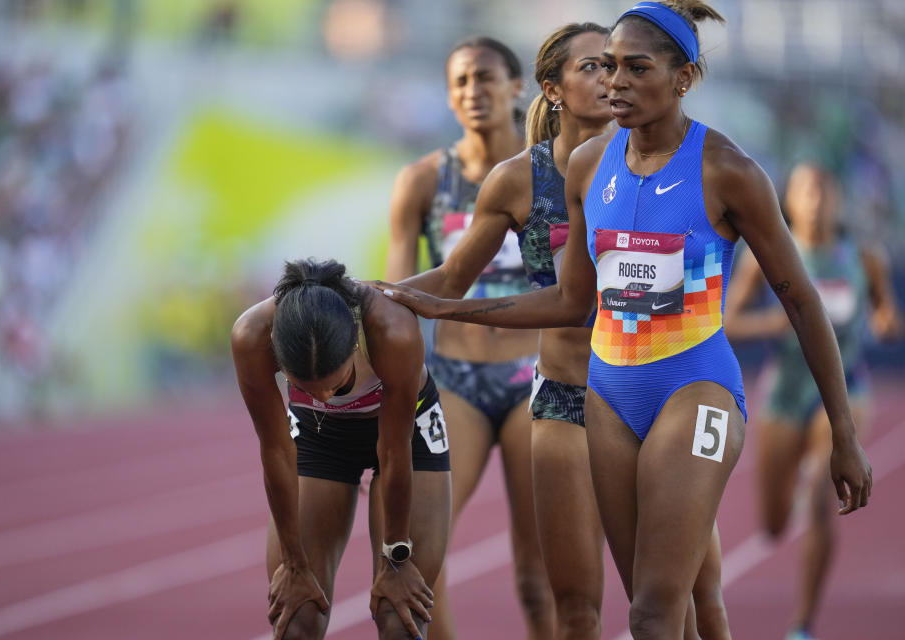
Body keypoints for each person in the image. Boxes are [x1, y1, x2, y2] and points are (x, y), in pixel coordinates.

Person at [373, 2, 873, 638]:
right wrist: (445, 305)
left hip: (696, 386)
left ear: (683, 78)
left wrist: (844, 432)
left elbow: (800, 299)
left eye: (637, 68)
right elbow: (569, 302)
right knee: (653, 609)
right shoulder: (588, 167)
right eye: (608, 67)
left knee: (659, 608)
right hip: (607, 397)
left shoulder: (729, 171)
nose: (616, 82)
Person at [386, 21, 730, 640]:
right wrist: (380, 298)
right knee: (575, 605)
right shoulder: (521, 178)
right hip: (566, 393)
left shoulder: (658, 163)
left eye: (621, 65)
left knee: (699, 600)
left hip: (661, 392)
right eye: (595, 66)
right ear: (552, 88)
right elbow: (455, 275)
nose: (612, 78)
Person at [384, 36, 551, 638]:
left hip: (539, 380)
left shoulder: (554, 171)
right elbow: (397, 298)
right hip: (455, 382)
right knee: (418, 560)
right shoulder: (424, 182)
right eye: (459, 82)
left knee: (539, 576)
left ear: (515, 88)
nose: (472, 92)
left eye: (485, 78)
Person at [725, 163, 902, 640]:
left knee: (823, 497)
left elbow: (887, 312)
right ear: (790, 203)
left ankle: (801, 626)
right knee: (774, 524)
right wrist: (770, 326)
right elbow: (726, 322)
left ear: (839, 201)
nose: (818, 199)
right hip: (783, 394)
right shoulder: (768, 256)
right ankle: (798, 488)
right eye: (808, 190)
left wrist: (886, 321)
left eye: (826, 189)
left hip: (844, 392)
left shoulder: (864, 258)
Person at [230, 258, 452, 640]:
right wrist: (294, 562)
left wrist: (395, 557)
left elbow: (394, 453)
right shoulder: (252, 336)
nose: (325, 395)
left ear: (354, 344)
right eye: (306, 386)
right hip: (320, 434)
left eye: (338, 384)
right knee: (296, 619)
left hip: (404, 432)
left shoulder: (392, 328)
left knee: (400, 619)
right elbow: (277, 452)